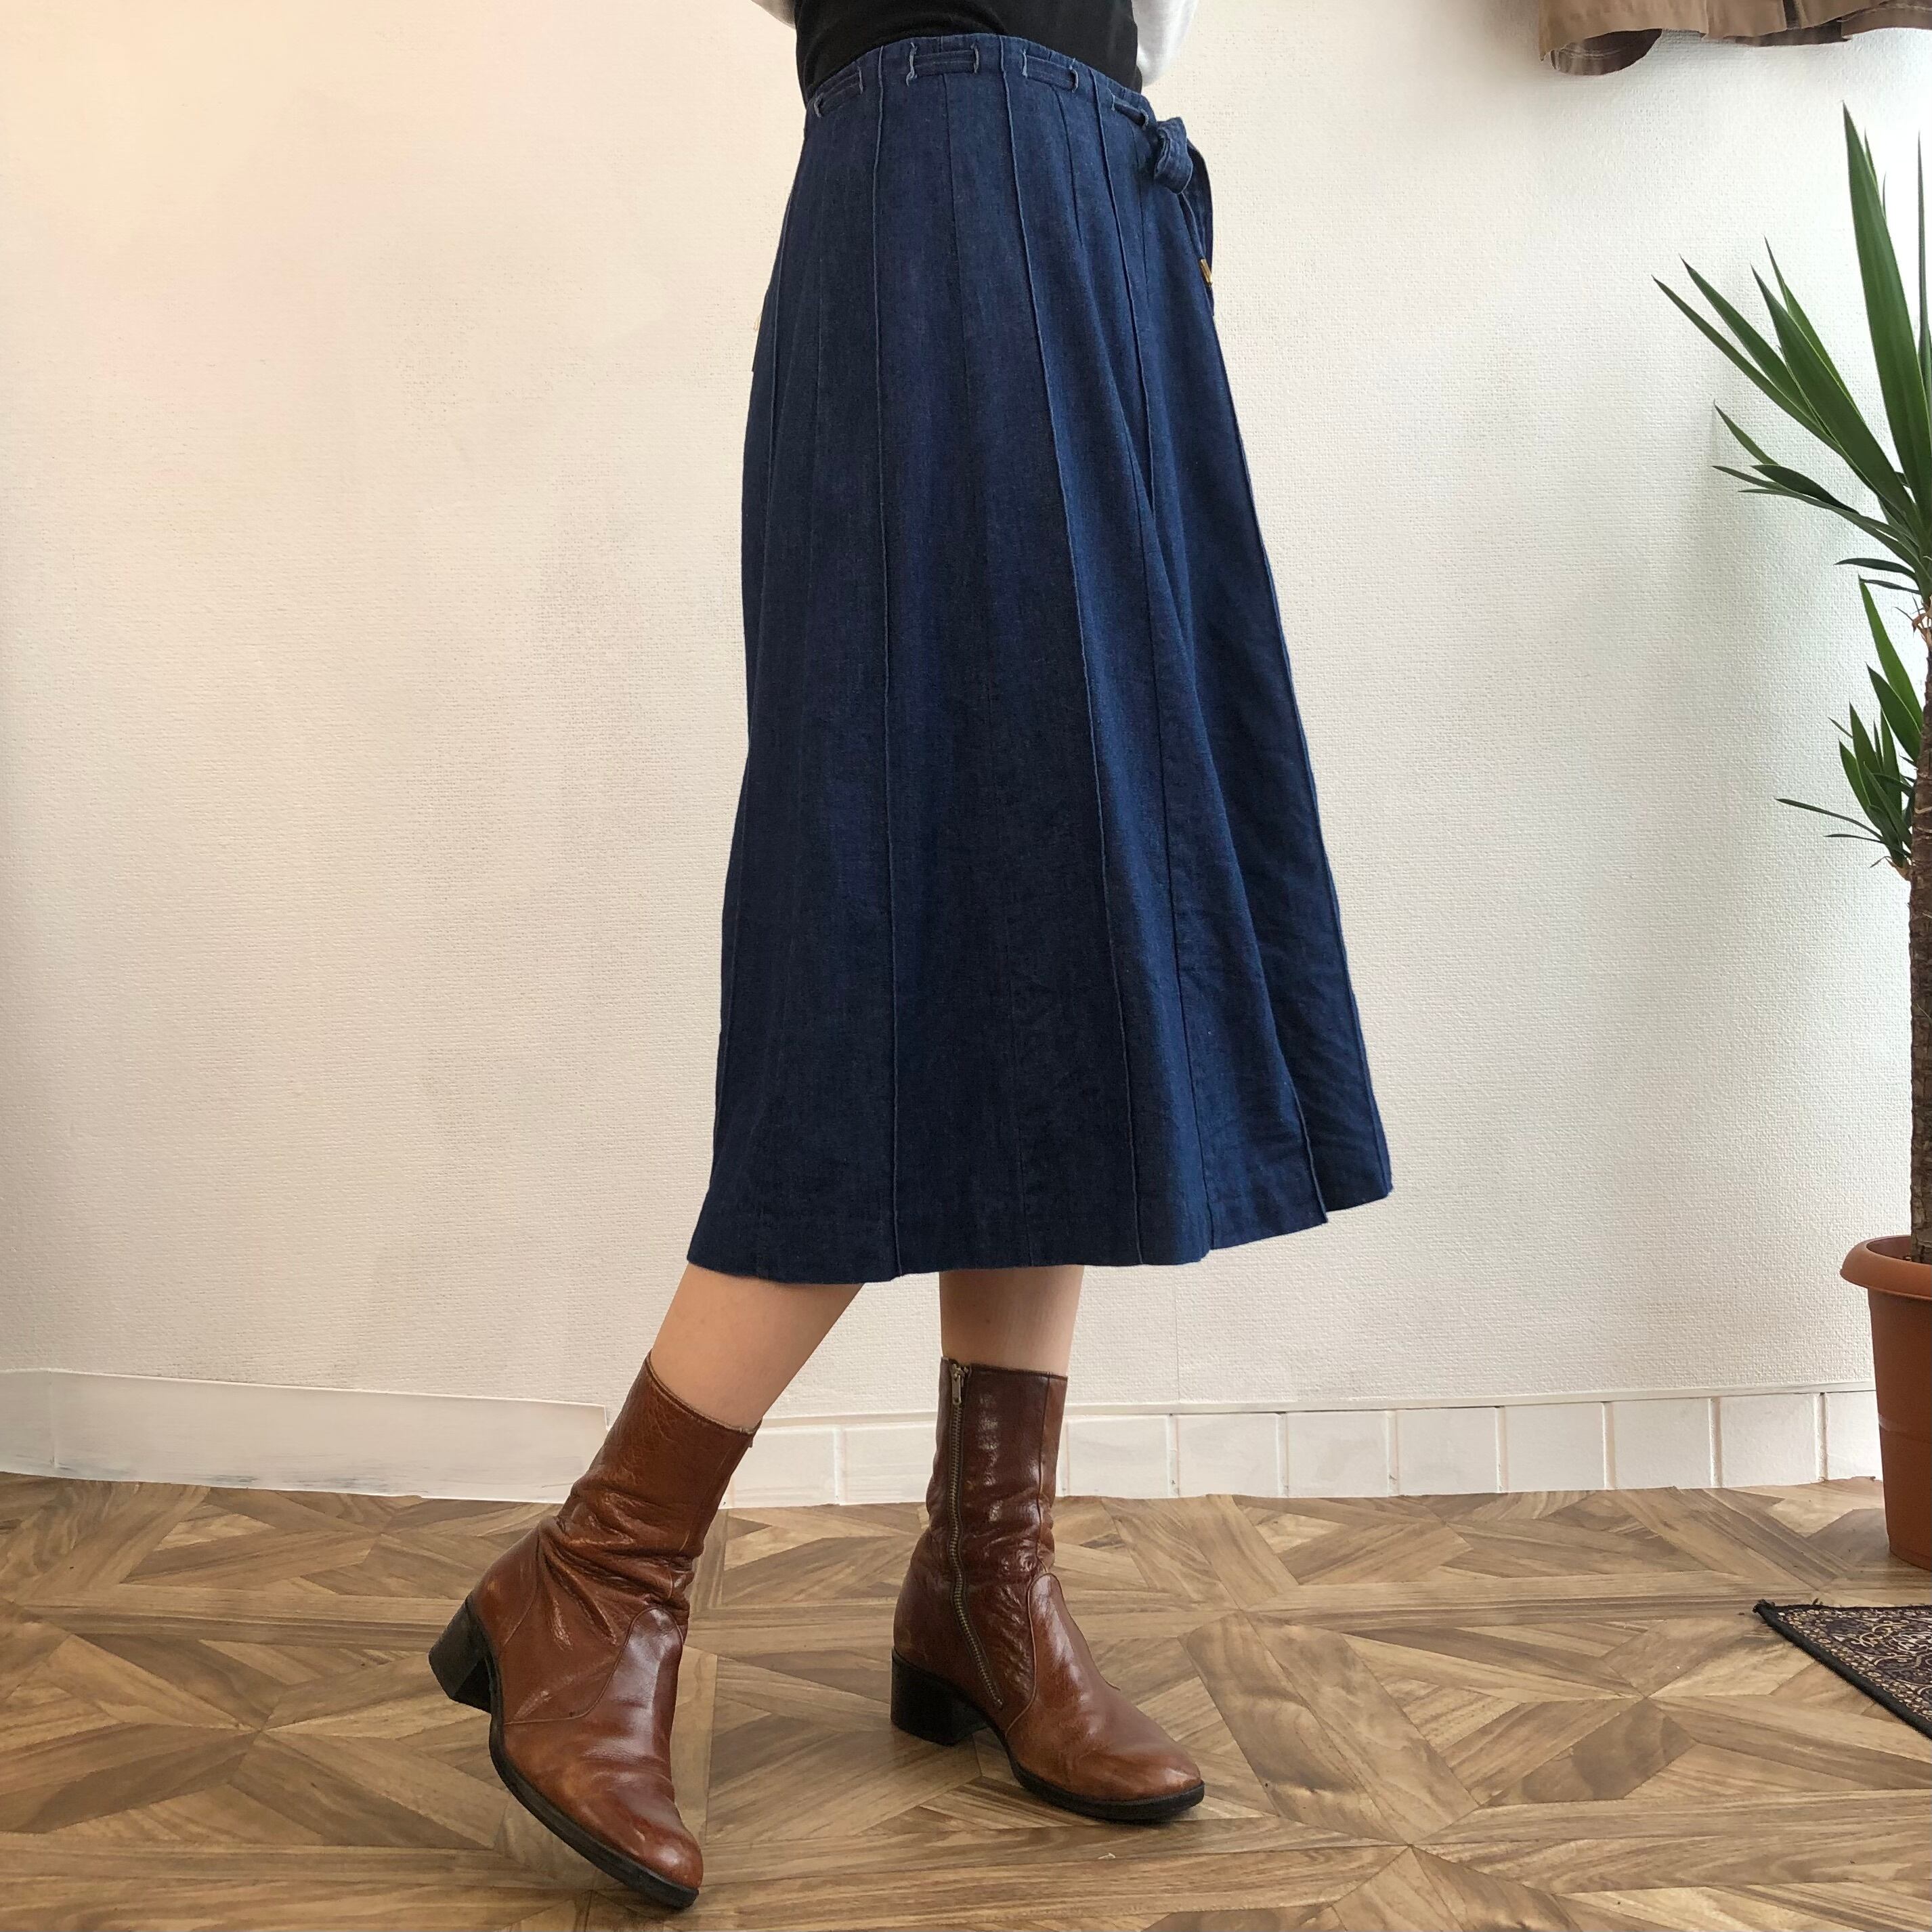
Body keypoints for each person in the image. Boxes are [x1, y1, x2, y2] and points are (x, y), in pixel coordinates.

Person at [429, 0, 1393, 1908]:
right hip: (943, 182)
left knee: (1064, 907)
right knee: (887, 910)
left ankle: (985, 1574)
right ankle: (604, 1567)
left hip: (1102, 204)